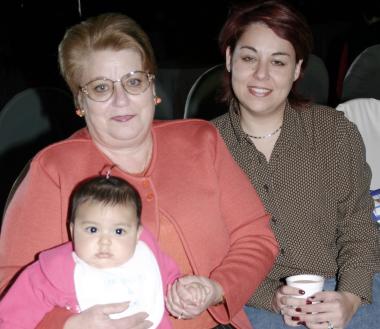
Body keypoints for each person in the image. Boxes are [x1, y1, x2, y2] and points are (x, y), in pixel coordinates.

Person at [0, 12, 279, 329]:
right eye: (101, 87)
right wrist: (69, 324)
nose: (121, 100)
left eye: (133, 82)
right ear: (80, 101)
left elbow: (256, 238)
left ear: (152, 87)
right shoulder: (52, 170)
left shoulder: (201, 142)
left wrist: (217, 289)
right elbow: (9, 288)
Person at [211, 1, 380, 329]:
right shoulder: (207, 146)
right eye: (249, 58)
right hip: (257, 302)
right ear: (230, 59)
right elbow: (210, 249)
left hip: (346, 288)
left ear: (298, 68)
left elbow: (358, 225)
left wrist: (349, 297)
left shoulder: (334, 131)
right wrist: (268, 295)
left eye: (278, 61)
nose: (262, 75)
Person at [0, 174, 184, 328]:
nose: (104, 241)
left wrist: (186, 293)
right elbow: (11, 318)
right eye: (92, 230)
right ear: (72, 230)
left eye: (119, 231)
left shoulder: (146, 257)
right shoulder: (50, 273)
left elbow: (170, 284)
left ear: (137, 235)